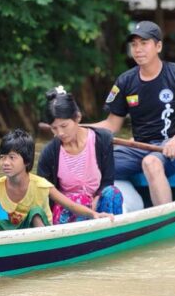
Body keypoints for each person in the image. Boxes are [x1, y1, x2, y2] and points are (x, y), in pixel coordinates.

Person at [89, 20, 175, 206]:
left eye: (144, 43)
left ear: (158, 46)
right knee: (93, 163)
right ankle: (98, 214)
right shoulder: (125, 81)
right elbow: (111, 125)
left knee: (151, 163)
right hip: (139, 148)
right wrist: (77, 129)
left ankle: (164, 219)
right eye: (134, 44)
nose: (138, 49)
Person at [0, 129, 112, 231]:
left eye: (12, 157)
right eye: (2, 157)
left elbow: (70, 205)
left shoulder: (41, 185)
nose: (5, 163)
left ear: (26, 161)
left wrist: (94, 214)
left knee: (35, 212)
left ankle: (41, 250)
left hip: (42, 231)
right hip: (15, 229)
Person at [37, 87, 123, 224]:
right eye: (54, 128)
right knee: (80, 199)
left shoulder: (103, 139)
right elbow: (44, 195)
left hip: (97, 203)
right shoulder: (49, 153)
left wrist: (96, 199)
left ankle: (113, 233)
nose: (60, 133)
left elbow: (107, 181)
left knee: (112, 193)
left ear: (77, 117)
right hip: (67, 210)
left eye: (64, 126)